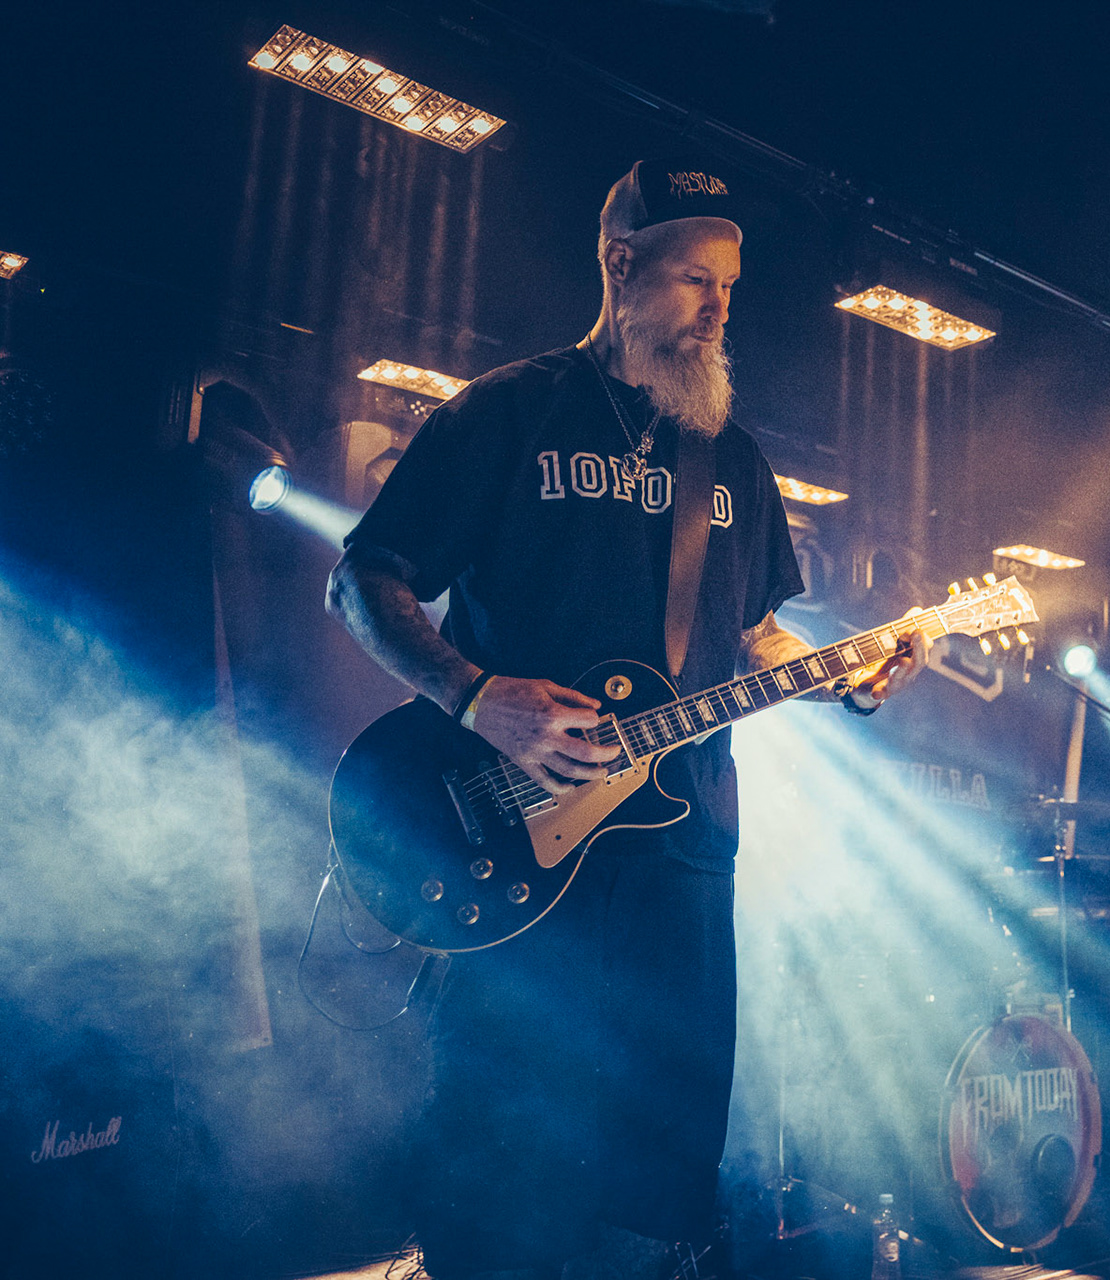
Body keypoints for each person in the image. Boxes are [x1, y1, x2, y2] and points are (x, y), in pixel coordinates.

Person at [326, 156, 920, 1280]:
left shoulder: (734, 458)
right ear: (619, 264)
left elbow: (752, 637)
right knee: (503, 1154)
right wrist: (475, 694)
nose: (719, 308)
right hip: (508, 846)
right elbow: (365, 582)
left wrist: (839, 668)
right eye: (695, 279)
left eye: (731, 288)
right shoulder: (507, 413)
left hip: (683, 856)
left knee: (664, 1173)